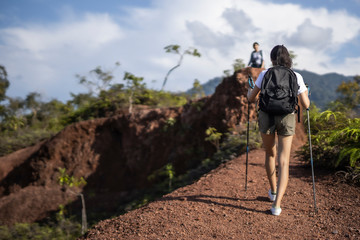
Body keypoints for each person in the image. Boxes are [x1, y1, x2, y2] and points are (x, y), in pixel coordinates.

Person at [247, 45, 310, 216]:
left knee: (270, 154)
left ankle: (273, 190)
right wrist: (306, 94)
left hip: (266, 116)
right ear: (288, 58)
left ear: (272, 58)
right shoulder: (296, 76)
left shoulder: (264, 74)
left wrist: (249, 89)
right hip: (286, 117)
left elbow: (251, 98)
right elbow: (306, 105)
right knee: (284, 161)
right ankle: (277, 205)